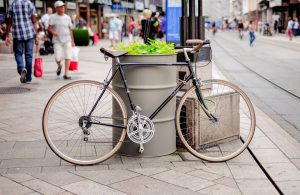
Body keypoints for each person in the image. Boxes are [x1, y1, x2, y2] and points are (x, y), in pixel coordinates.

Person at [5, 0, 38, 83]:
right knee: (29, 56)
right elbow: (34, 20)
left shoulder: (12, 4)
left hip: (17, 33)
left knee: (18, 53)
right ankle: (28, 78)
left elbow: (9, 21)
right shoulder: (30, 4)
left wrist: (7, 35)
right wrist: (36, 35)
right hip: (29, 33)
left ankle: (21, 68)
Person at [48, 0, 75, 80]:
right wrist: (53, 32)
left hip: (67, 39)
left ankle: (66, 74)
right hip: (57, 40)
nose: (63, 8)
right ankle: (60, 65)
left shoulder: (67, 17)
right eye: (61, 6)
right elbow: (49, 28)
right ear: (56, 8)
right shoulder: (52, 17)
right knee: (58, 57)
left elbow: (70, 29)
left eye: (63, 6)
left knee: (68, 56)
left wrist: (72, 41)